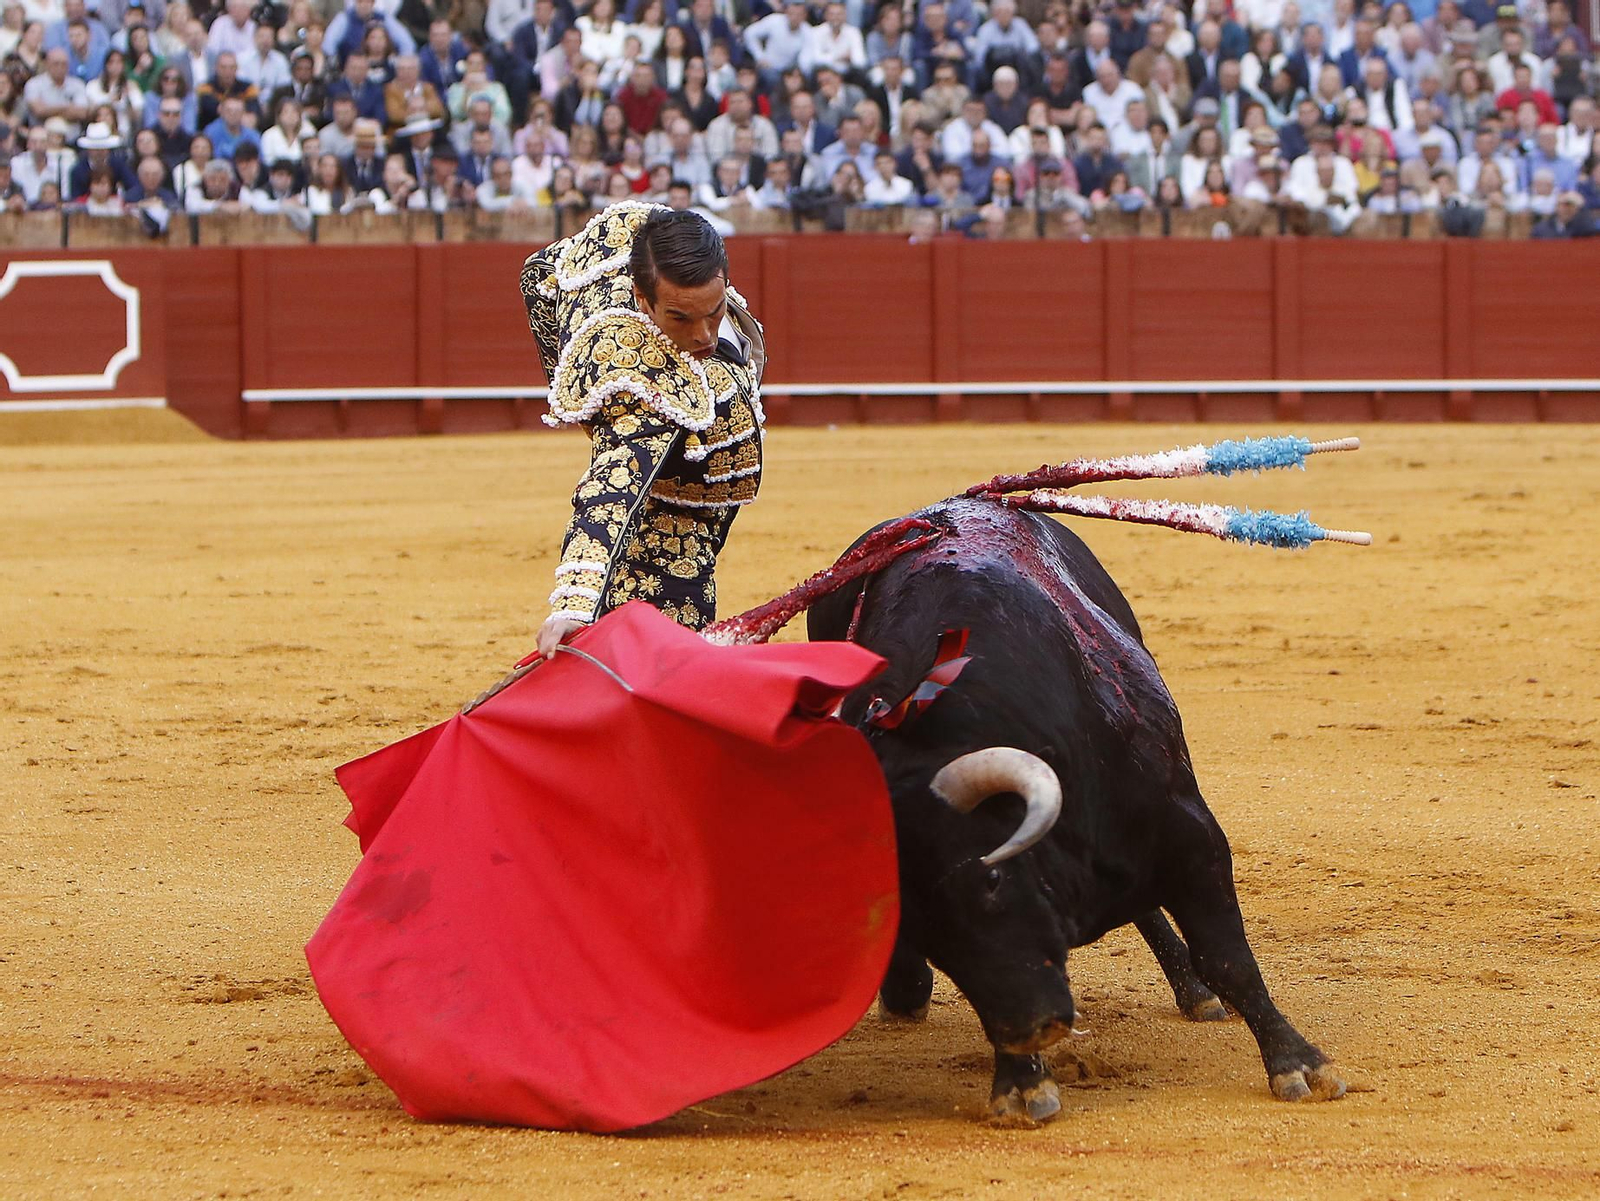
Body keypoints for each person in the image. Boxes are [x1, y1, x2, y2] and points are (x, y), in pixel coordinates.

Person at [521, 201, 766, 652]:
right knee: (665, 651)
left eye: (714, 311)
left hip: (697, 471)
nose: (703, 336)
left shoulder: (637, 237)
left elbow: (539, 271)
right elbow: (610, 491)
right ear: (641, 298)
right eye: (680, 318)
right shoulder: (643, 382)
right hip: (675, 518)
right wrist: (574, 603)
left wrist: (567, 376)